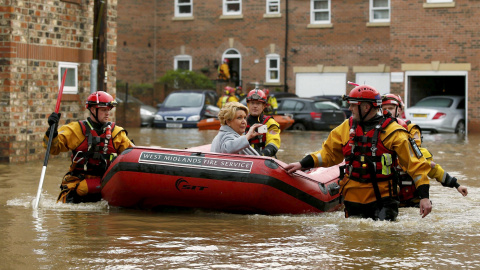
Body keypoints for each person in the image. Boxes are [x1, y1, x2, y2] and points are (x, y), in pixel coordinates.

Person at [284, 85, 433, 221]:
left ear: (366, 107)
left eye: (353, 105)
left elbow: (416, 166)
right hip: (352, 197)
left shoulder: (394, 132)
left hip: (382, 200)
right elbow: (328, 154)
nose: (350, 108)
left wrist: (424, 197)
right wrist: (301, 164)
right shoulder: (346, 127)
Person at [44, 91, 135, 204]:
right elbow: (54, 149)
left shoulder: (117, 133)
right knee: (78, 192)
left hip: (104, 184)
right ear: (92, 110)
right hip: (77, 186)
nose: (107, 113)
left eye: (108, 110)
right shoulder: (74, 130)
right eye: (103, 110)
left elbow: (132, 155)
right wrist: (51, 133)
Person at [381, 94, 468, 207]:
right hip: (390, 197)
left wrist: (456, 185)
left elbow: (420, 160)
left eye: (391, 108)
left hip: (413, 198)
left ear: (400, 109)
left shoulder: (411, 128)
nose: (387, 112)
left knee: (425, 159)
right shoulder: (378, 131)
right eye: (384, 109)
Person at [245, 88, 281, 157]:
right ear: (248, 104)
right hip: (245, 159)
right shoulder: (241, 122)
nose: (255, 106)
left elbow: (274, 142)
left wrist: (262, 154)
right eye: (252, 103)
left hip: (263, 159)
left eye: (258, 103)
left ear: (264, 106)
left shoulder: (270, 123)